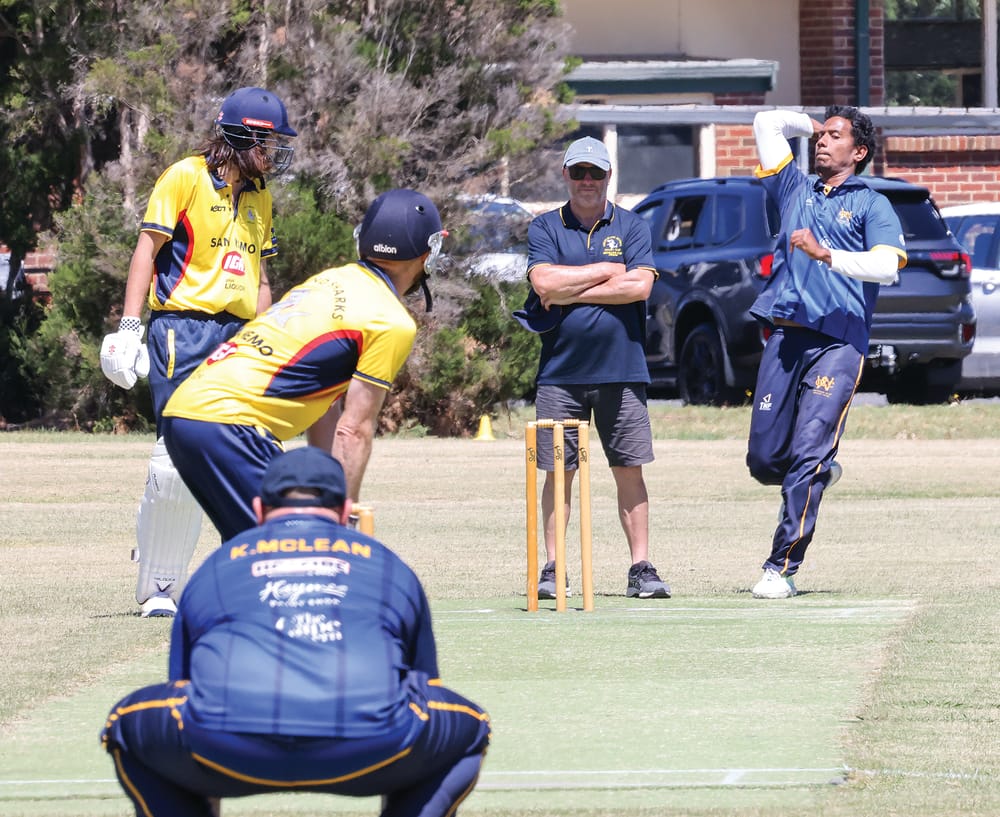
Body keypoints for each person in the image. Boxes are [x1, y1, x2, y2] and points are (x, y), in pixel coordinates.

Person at [101, 445, 490, 817]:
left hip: (227, 748)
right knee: (472, 728)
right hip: (372, 748)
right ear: (345, 512)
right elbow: (424, 683)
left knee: (124, 724)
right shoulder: (390, 566)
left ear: (258, 509)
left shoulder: (216, 566)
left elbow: (184, 686)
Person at [99, 87, 298, 618]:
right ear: (239, 135)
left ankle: (257, 576)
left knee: (245, 452)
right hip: (180, 330)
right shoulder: (184, 176)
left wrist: (269, 335)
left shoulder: (260, 196)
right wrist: (129, 324)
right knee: (175, 456)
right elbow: (148, 248)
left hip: (237, 336)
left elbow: (258, 276)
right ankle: (160, 584)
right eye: (268, 141)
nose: (273, 153)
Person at [159, 188, 445, 546]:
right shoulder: (391, 321)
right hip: (230, 426)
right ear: (426, 252)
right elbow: (354, 430)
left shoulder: (330, 280)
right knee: (295, 554)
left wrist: (325, 494)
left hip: (186, 413)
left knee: (255, 554)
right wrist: (340, 514)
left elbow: (326, 408)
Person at [746, 106, 907, 599]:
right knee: (763, 458)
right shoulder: (794, 187)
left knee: (808, 452)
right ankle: (819, 471)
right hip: (786, 338)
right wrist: (812, 125)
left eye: (835, 137)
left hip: (839, 344)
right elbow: (765, 123)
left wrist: (827, 255)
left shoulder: (871, 204)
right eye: (821, 135)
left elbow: (887, 267)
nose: (822, 142)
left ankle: (781, 568)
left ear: (858, 153)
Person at [519, 136, 670, 600]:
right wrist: (607, 269)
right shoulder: (545, 226)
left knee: (629, 468)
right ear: (565, 175)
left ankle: (641, 567)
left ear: (609, 177)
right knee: (557, 471)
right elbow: (542, 280)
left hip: (622, 370)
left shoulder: (632, 225)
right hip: (560, 373)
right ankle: (553, 568)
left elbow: (639, 287)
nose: (587, 181)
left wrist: (571, 290)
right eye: (579, 172)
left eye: (596, 173)